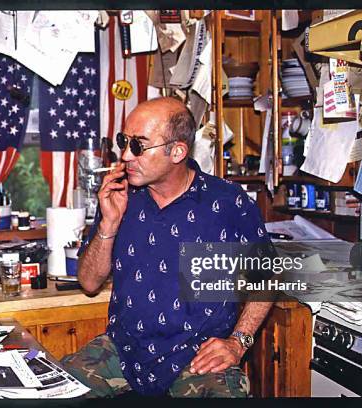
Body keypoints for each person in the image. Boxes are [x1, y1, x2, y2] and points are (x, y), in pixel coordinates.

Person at [61, 97, 275, 397]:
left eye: (138, 146)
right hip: (124, 350)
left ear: (177, 151)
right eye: (124, 141)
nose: (124, 155)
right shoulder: (121, 196)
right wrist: (109, 223)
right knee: (52, 393)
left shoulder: (227, 202)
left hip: (197, 356)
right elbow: (89, 282)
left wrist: (239, 342)